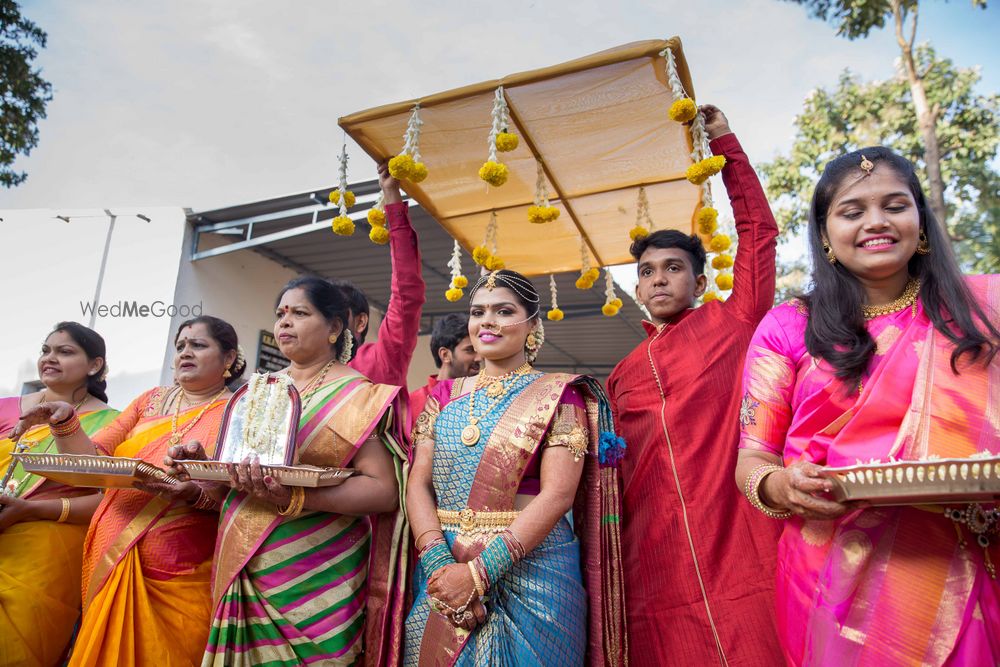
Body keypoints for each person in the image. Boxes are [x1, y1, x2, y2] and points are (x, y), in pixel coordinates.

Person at [735, 147, 1000, 665]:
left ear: (920, 223)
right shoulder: (789, 326)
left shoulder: (982, 310)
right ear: (826, 234)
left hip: (965, 555)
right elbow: (753, 458)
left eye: (895, 206)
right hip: (831, 572)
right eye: (852, 212)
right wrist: (782, 486)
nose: (875, 223)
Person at [606, 105, 783, 665]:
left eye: (674, 268)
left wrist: (726, 145)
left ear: (701, 280)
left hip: (741, 533)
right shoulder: (621, 373)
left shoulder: (734, 322)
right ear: (638, 288)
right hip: (654, 555)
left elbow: (760, 232)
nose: (659, 279)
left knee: (765, 638)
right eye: (648, 271)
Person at [167, 276, 408, 666]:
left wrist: (295, 496)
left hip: (317, 569)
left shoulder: (357, 395)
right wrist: (199, 462)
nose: (284, 323)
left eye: (299, 313)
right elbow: (234, 470)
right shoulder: (259, 390)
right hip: (245, 556)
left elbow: (382, 490)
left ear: (334, 328)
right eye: (280, 314)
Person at [403, 269, 627, 666]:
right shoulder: (443, 395)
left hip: (534, 568)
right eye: (478, 312)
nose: (486, 321)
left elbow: (557, 494)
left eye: (503, 311)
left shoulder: (559, 394)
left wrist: (478, 574)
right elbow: (418, 484)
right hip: (444, 564)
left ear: (532, 326)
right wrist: (440, 564)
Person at [10, 315, 244, 666]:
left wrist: (194, 492)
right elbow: (90, 465)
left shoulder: (239, 411)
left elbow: (240, 497)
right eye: (180, 346)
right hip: (111, 547)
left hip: (183, 562)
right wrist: (63, 420)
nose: (185, 353)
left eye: (198, 345)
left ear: (228, 359)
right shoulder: (149, 401)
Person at [0, 322, 118, 666]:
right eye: (46, 350)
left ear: (94, 365)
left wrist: (30, 510)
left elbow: (111, 499)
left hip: (46, 552)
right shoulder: (7, 407)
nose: (50, 359)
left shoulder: (114, 422)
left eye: (65, 352)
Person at [339, 162, 426, 390]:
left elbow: (406, 295)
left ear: (360, 322)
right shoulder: (297, 377)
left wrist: (391, 196)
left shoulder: (378, 361)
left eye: (334, 313)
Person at [409, 313, 480, 418]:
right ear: (445, 355)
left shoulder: (485, 398)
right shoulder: (413, 403)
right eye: (470, 350)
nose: (480, 358)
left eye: (479, 350)